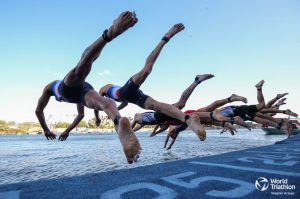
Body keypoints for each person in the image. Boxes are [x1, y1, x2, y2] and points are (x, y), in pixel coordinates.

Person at [35, 11, 141, 164]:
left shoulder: (52, 86)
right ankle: (118, 120)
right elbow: (80, 115)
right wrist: (65, 130)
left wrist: (47, 129)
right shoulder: (52, 87)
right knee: (104, 101)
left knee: (85, 71)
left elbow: (39, 110)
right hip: (82, 91)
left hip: (75, 92)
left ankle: (110, 34)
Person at [95, 23, 208, 141]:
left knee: (146, 70)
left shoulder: (104, 89)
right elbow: (124, 103)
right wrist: (117, 110)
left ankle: (167, 36)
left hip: (126, 90)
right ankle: (187, 119)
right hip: (135, 97)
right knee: (157, 106)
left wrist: (97, 117)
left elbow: (96, 104)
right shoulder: (117, 102)